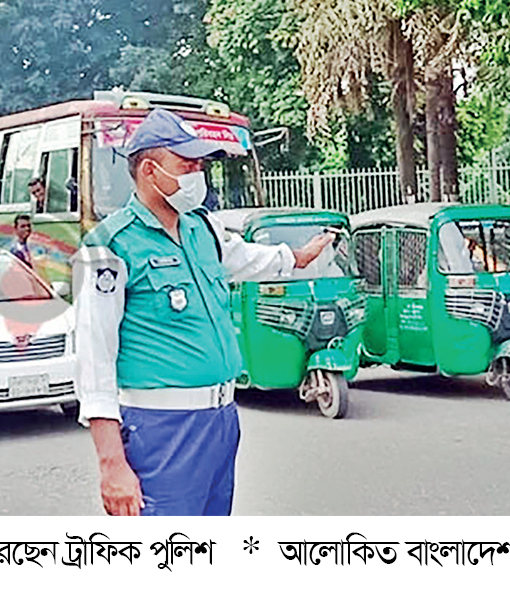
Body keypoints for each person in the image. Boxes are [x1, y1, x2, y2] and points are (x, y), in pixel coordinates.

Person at [72, 108, 334, 516]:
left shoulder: (201, 228)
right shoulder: (110, 247)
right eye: (187, 164)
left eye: (200, 165)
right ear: (149, 170)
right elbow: (95, 359)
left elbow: (247, 258)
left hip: (221, 422)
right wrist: (112, 465)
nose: (198, 175)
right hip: (162, 428)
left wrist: (299, 258)